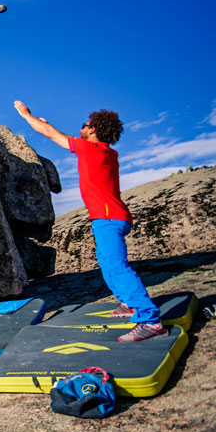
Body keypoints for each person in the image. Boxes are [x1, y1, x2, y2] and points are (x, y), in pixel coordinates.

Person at [13, 101, 166, 342]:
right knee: (107, 263)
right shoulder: (106, 152)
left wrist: (26, 115)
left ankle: (150, 320)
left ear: (93, 130)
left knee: (117, 266)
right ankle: (128, 304)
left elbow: (52, 135)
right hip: (110, 217)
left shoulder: (90, 149)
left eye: (84, 125)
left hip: (109, 218)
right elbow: (55, 132)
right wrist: (47, 125)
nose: (81, 128)